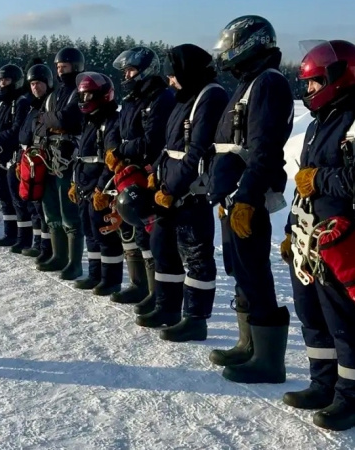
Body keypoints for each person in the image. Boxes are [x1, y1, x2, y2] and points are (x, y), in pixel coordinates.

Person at [281, 39, 355, 431]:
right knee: (313, 316)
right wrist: (291, 231)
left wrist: (320, 179)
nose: (309, 90)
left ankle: (354, 400)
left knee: (348, 324)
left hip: (347, 240)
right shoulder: (319, 122)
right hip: (310, 240)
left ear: (337, 77)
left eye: (314, 82)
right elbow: (303, 186)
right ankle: (323, 384)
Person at [205, 15, 295, 384]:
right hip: (235, 194)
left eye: (231, 46)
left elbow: (265, 149)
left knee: (255, 272)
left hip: (249, 195)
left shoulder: (268, 83)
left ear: (249, 45)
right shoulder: (249, 83)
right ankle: (249, 345)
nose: (226, 53)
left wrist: (247, 197)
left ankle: (269, 361)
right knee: (241, 270)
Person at [134, 44, 229, 341]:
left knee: (196, 256)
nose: (170, 81)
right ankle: (167, 308)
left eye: (173, 75)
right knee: (162, 246)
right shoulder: (184, 97)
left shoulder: (210, 96)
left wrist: (171, 188)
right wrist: (155, 176)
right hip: (169, 187)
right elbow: (170, 146)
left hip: (191, 193)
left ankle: (196, 319)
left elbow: (196, 152)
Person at [106, 46, 175, 305]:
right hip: (128, 172)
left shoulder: (160, 98)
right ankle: (140, 285)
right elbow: (118, 131)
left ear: (146, 71)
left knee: (149, 233)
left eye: (131, 70)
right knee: (131, 229)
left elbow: (151, 141)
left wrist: (122, 150)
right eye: (125, 71)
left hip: (150, 173)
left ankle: (156, 293)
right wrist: (114, 151)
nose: (126, 75)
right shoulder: (131, 100)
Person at [33, 47, 86, 281]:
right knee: (51, 210)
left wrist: (50, 120)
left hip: (69, 159)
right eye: (57, 67)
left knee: (69, 212)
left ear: (75, 67)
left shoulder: (79, 91)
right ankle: (59, 256)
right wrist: (51, 122)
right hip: (48, 157)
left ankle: (75, 263)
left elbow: (69, 119)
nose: (59, 71)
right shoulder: (52, 96)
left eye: (63, 67)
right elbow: (38, 124)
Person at [69, 71, 123, 295]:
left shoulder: (111, 122)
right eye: (82, 96)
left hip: (101, 187)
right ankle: (95, 274)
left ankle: (111, 280)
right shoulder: (89, 122)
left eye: (88, 95)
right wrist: (75, 183)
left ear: (103, 95)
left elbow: (111, 161)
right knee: (89, 232)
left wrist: (102, 188)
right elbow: (81, 158)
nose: (84, 100)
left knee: (104, 234)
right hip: (85, 185)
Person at [0, 64, 32, 252]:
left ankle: (24, 238)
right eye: (1, 80)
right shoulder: (0, 102)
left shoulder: (21, 102)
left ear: (16, 81)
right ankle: (10, 234)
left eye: (7, 80)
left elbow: (17, 129)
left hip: (14, 157)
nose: (3, 83)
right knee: (3, 196)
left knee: (18, 199)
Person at [19, 64, 56, 263]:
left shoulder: (51, 104)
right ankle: (37, 243)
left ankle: (48, 248)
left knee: (45, 208)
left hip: (46, 162)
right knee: (34, 205)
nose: (35, 87)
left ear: (47, 83)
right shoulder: (33, 107)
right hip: (32, 160)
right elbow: (25, 134)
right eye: (32, 84)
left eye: (39, 83)